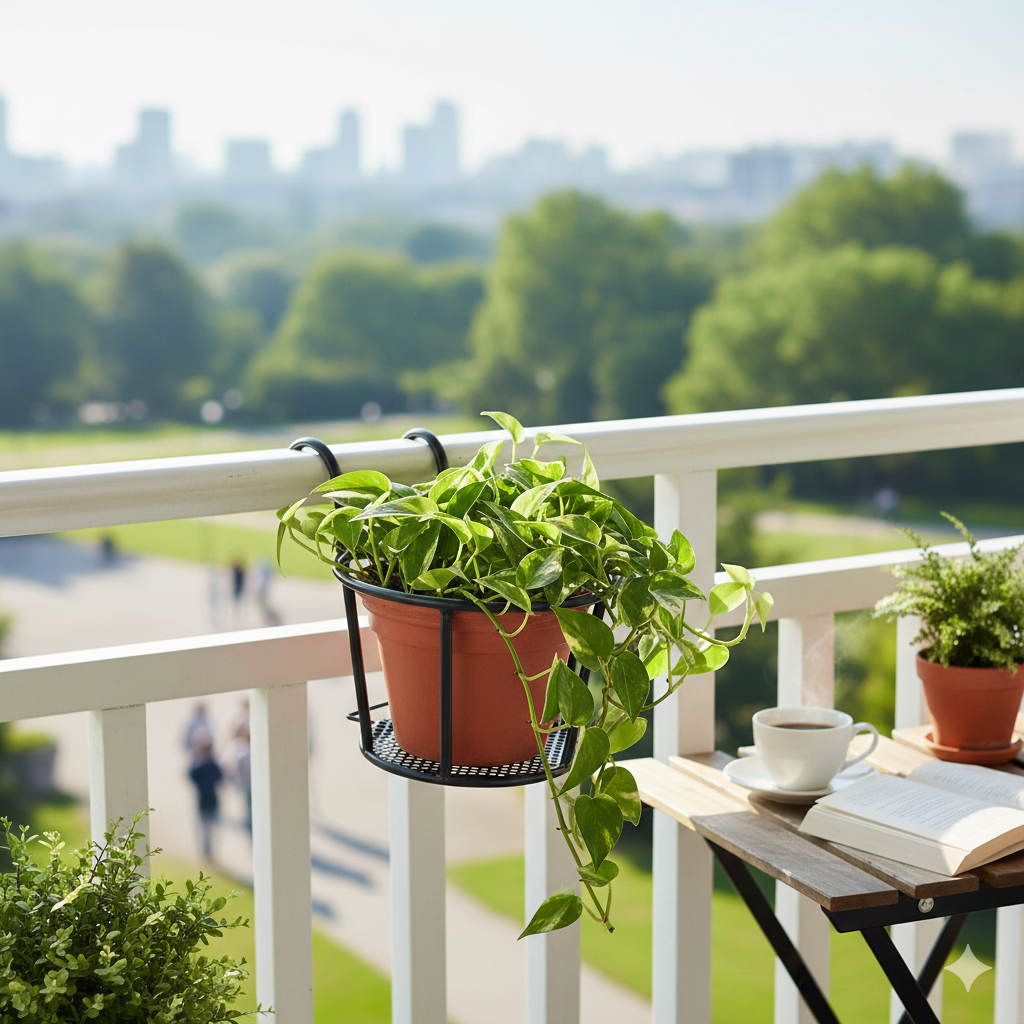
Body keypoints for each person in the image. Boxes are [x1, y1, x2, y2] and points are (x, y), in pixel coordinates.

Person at [189, 737, 223, 861]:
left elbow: (220, 778)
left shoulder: (212, 766)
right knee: (204, 828)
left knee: (211, 829)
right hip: (203, 801)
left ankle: (210, 852)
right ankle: (205, 852)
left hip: (212, 800)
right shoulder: (201, 767)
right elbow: (191, 776)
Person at [184, 703, 213, 767]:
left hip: (207, 753)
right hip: (195, 751)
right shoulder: (191, 723)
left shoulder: (208, 721)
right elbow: (187, 739)